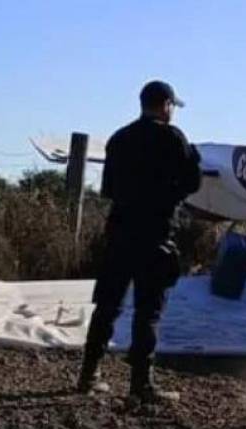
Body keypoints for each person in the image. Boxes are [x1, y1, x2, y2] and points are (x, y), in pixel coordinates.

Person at [77, 80, 202, 403]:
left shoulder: (119, 139)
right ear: (166, 105)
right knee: (148, 311)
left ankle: (88, 374)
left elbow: (109, 190)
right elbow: (191, 183)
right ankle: (140, 383)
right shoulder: (173, 138)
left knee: (107, 306)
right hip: (155, 233)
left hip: (120, 231)